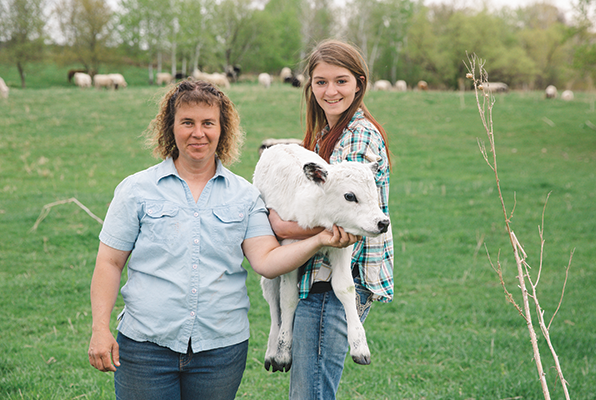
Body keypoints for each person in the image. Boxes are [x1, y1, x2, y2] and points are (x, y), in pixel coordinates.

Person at [87, 79, 358, 400]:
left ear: (222, 129)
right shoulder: (136, 190)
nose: (197, 133)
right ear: (170, 128)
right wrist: (99, 329)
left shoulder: (245, 196)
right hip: (146, 349)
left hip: (219, 352)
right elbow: (109, 261)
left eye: (208, 123)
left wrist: (319, 239)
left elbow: (267, 261)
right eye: (187, 122)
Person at [268, 39, 394, 399]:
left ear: (359, 82)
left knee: (310, 393)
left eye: (341, 81)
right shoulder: (326, 133)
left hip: (334, 280)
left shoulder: (358, 136)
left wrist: (279, 226)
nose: (330, 91)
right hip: (318, 274)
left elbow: (347, 226)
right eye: (321, 82)